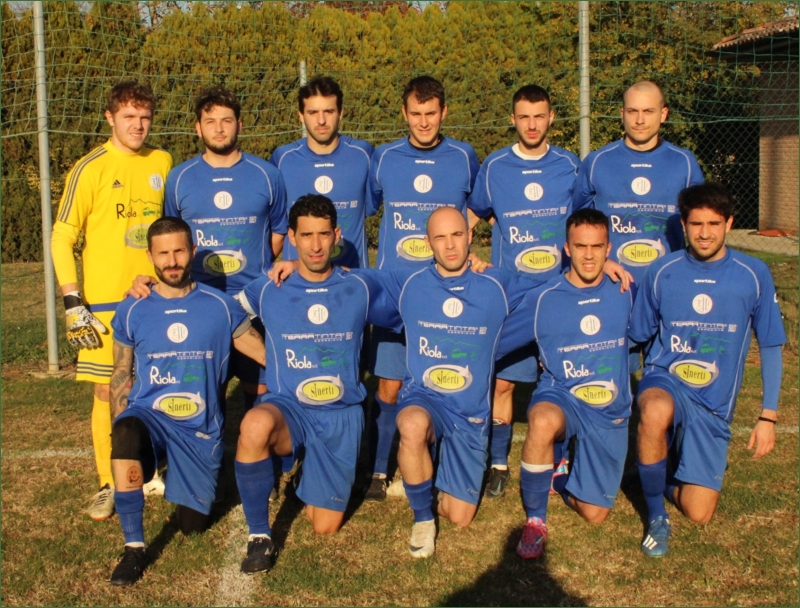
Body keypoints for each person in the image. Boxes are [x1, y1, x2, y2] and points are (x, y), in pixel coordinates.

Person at [360, 207, 539, 558]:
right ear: (428, 243)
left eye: (457, 235)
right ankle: (422, 519)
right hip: (425, 399)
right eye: (440, 238)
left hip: (470, 415)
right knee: (412, 423)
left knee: (460, 516)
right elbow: (354, 281)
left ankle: (422, 477)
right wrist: (296, 267)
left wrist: (603, 270)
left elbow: (557, 291)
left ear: (470, 236)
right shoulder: (410, 284)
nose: (450, 245)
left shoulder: (496, 284)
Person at [107, 217, 266, 586]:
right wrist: (122, 434)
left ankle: (182, 474)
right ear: (150, 257)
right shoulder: (132, 308)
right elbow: (120, 374)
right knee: (127, 431)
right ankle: (133, 547)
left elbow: (262, 354)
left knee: (192, 527)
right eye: (163, 253)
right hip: (150, 416)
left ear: (192, 251)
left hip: (198, 430)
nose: (172, 261)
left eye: (179, 251)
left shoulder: (221, 305)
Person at [629, 182, 786, 557]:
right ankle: (656, 516)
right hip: (667, 380)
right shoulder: (661, 271)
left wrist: (768, 416)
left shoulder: (753, 273)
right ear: (684, 224)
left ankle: (660, 472)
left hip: (713, 405)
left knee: (699, 513)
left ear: (729, 224)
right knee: (655, 409)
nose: (704, 233)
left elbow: (770, 345)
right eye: (696, 223)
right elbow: (635, 336)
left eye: (713, 224)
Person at [234, 195, 376, 574]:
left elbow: (420, 290)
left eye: (323, 234)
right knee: (254, 425)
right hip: (290, 407)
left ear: (337, 236)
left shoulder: (360, 285)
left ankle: (303, 469)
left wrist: (472, 266)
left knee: (324, 526)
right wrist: (268, 357)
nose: (315, 245)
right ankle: (259, 535)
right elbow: (224, 315)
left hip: (340, 413)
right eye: (307, 235)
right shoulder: (270, 286)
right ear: (292, 238)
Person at [50, 81, 173, 520]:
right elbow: (62, 236)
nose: (138, 125)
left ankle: (150, 469)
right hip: (105, 306)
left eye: (145, 117)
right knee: (108, 390)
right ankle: (108, 482)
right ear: (110, 118)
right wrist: (72, 300)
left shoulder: (162, 161)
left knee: (156, 384)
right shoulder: (90, 167)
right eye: (129, 117)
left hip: (154, 297)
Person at [365, 75, 480, 501]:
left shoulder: (464, 156)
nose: (424, 122)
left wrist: (461, 243)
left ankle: (442, 460)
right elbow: (368, 206)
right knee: (389, 384)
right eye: (416, 113)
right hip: (395, 291)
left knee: (442, 379)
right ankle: (379, 469)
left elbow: (480, 206)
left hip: (445, 291)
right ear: (404, 113)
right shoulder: (384, 157)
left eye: (432, 113)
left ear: (444, 112)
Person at [497, 208, 634, 559]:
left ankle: (559, 476)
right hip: (562, 396)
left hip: (608, 409)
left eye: (597, 247)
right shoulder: (544, 298)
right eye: (580, 246)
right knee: (542, 420)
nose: (589, 255)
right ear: (567, 248)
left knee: (595, 514)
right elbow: (495, 343)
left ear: (609, 249)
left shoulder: (626, 291)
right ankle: (535, 520)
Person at [468, 84, 581, 497]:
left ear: (551, 118)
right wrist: (462, 253)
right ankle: (498, 463)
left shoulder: (570, 166)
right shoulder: (496, 166)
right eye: (524, 117)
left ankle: (562, 459)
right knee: (504, 383)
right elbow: (473, 214)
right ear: (512, 119)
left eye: (539, 116)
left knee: (566, 378)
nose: (532, 125)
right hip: (513, 296)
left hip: (560, 293)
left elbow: (586, 224)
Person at [160, 86, 287, 409]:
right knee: (204, 388)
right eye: (210, 121)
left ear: (239, 125)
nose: (219, 128)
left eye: (226, 120)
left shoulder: (267, 175)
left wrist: (255, 271)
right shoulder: (179, 178)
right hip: (200, 302)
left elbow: (278, 233)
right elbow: (173, 237)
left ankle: (259, 442)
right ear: (197, 127)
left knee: (259, 388)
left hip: (253, 302)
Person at [572, 80, 704, 284]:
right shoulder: (597, 161)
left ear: (663, 114)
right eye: (633, 111)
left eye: (648, 111)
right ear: (622, 114)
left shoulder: (684, 162)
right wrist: (602, 262)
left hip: (668, 280)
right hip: (612, 282)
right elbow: (576, 223)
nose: (640, 120)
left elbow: (702, 223)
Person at [270, 75, 374, 269]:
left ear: (341, 113)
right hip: (299, 278)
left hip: (352, 277)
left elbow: (370, 206)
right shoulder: (283, 159)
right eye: (313, 112)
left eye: (328, 111)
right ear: (301, 116)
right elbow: (276, 222)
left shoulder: (363, 155)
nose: (321, 120)